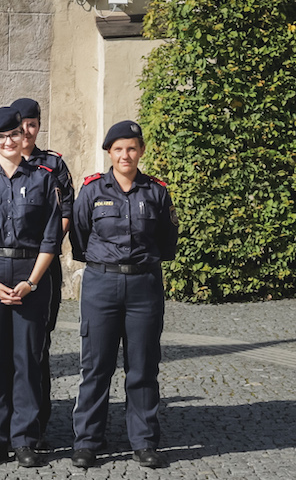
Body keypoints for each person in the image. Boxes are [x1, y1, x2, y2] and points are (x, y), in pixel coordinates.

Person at [69, 120, 178, 470]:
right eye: (118, 149)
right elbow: (80, 239)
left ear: (141, 150)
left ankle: (144, 441)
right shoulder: (91, 190)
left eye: (131, 148)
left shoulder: (157, 191)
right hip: (102, 284)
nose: (125, 155)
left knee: (143, 367)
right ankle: (88, 441)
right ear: (109, 153)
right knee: (96, 366)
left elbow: (166, 240)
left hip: (144, 286)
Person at [0, 107, 62, 468]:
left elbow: (51, 240)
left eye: (14, 135)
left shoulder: (44, 179)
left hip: (30, 272)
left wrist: (32, 282)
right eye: (1, 137)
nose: (9, 142)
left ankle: (25, 438)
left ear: (24, 137)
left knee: (28, 361)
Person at [8, 98, 74, 446]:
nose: (27, 132)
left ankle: (38, 422)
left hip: (42, 267)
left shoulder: (54, 165)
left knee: (37, 347)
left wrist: (43, 251)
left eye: (32, 124)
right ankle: (4, 422)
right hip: (5, 266)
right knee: (3, 348)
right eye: (21, 127)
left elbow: (66, 212)